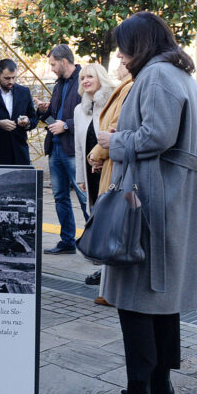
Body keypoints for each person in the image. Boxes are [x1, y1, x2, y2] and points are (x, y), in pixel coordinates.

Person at [95, 12, 197, 394]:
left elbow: (156, 136)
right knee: (160, 302)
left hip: (149, 202)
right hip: (165, 199)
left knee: (136, 302)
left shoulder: (157, 76)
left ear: (140, 44)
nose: (121, 56)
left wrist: (114, 141)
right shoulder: (176, 73)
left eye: (124, 47)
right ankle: (160, 385)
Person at [85, 60, 133, 302]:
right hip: (109, 163)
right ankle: (108, 288)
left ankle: (111, 291)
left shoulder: (129, 87)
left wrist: (96, 154)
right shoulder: (125, 86)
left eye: (123, 58)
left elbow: (115, 127)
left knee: (113, 227)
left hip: (116, 165)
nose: (120, 63)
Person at [37, 44, 86, 254]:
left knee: (84, 198)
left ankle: (94, 244)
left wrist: (66, 125)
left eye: (53, 64)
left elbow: (92, 116)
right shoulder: (59, 85)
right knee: (60, 197)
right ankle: (67, 241)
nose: (52, 69)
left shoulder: (85, 80)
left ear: (64, 62)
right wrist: (44, 111)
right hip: (55, 148)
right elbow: (54, 116)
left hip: (74, 150)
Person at [74, 63, 117, 209]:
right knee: (94, 211)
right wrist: (80, 178)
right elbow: (79, 147)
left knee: (110, 210)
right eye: (82, 78)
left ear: (101, 78)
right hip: (90, 171)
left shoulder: (112, 104)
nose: (85, 81)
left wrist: (101, 158)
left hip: (109, 168)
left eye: (90, 76)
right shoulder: (79, 110)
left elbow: (115, 135)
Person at [0, 59, 37, 165]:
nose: (11, 81)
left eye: (14, 77)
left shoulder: (24, 92)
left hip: (20, 154)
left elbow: (34, 119)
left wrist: (28, 122)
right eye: (7, 78)